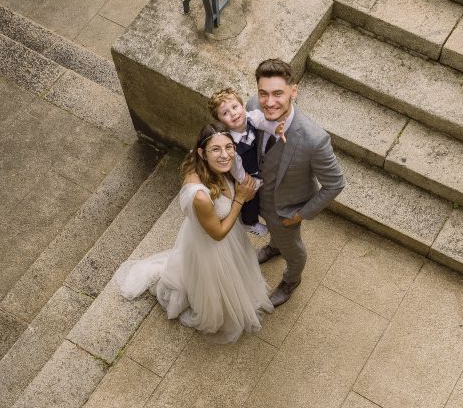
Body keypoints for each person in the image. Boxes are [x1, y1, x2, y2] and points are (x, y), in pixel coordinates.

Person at [113, 122, 273, 343]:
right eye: (216, 149)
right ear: (202, 153)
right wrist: (240, 199)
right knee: (217, 284)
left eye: (229, 147)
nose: (225, 155)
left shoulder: (219, 165)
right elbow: (217, 233)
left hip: (226, 234)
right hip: (214, 243)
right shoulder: (200, 195)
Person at [250, 59, 346, 307]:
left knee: (294, 251)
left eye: (278, 93)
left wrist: (300, 215)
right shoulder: (252, 107)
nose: (269, 102)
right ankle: (274, 246)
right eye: (264, 93)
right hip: (256, 197)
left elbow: (335, 183)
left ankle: (292, 280)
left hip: (285, 210)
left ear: (294, 91)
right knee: (277, 237)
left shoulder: (314, 140)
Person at [208, 88, 283, 237]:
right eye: (225, 113)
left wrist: (277, 129)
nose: (233, 113)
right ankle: (249, 222)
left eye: (235, 107)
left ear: (242, 106)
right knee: (250, 199)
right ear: (220, 121)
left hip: (256, 164)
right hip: (242, 172)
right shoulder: (230, 145)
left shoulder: (251, 117)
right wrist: (248, 182)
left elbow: (263, 121)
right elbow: (236, 169)